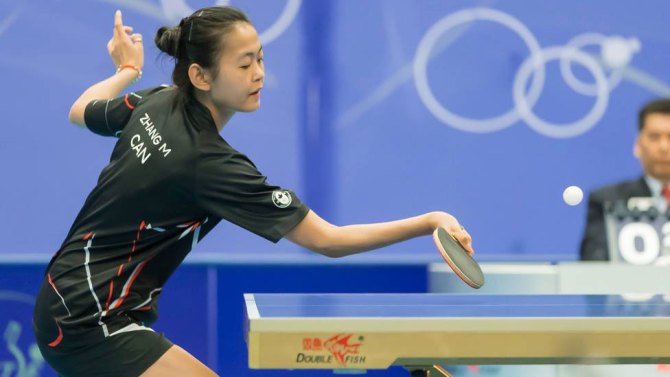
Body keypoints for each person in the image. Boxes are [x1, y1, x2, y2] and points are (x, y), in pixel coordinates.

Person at [32, 6, 473, 377]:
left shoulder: (158, 101)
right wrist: (429, 221)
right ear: (201, 76)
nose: (259, 74)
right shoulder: (210, 165)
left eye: (260, 59)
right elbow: (328, 241)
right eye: (244, 65)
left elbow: (79, 111)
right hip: (91, 320)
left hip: (65, 297)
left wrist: (127, 70)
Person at [580, 98, 670, 261]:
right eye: (654, 137)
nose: (664, 147)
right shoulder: (607, 201)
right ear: (638, 144)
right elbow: (594, 264)